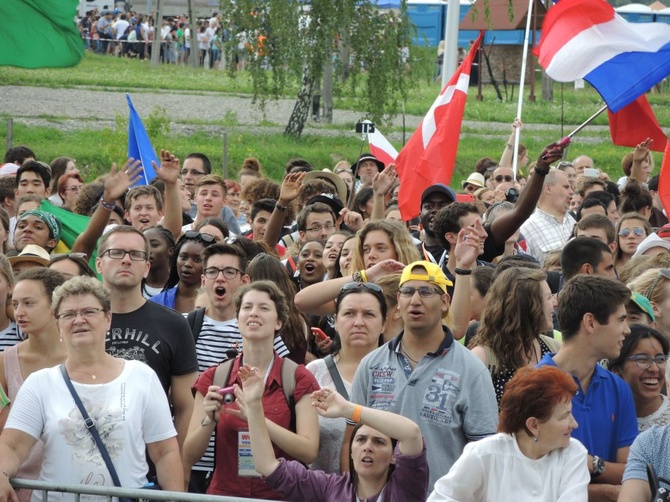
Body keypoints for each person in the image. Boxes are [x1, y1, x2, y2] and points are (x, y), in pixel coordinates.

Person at [0, 276, 183, 501]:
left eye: (89, 311)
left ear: (107, 319)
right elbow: (12, 446)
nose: (79, 320)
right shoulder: (39, 384)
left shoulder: (141, 376)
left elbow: (165, 452)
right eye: (68, 314)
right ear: (58, 325)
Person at [346, 259, 498, 490]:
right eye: (407, 292)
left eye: (426, 292)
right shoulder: (371, 365)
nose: (415, 300)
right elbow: (350, 441)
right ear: (398, 302)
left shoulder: (471, 370)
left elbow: (485, 455)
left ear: (445, 302)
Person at [183, 281, 320, 499]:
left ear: (278, 322)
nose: (254, 313)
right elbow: (189, 455)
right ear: (237, 320)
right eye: (247, 308)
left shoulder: (297, 377)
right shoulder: (215, 377)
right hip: (226, 495)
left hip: (280, 496)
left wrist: (256, 418)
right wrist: (208, 420)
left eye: (264, 308)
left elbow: (309, 450)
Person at [96, 225, 198, 452]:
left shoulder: (174, 324)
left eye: (136, 255)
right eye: (116, 252)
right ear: (99, 264)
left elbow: (186, 408)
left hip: (151, 464)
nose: (126, 260)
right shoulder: (78, 321)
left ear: (146, 267)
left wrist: (178, 468)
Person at [246, 375, 427, 501]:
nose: (368, 447)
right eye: (361, 440)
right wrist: (254, 404)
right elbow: (267, 465)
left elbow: (411, 434)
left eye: (379, 442)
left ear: (394, 456)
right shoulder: (330, 488)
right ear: (351, 452)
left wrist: (349, 410)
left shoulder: (406, 488)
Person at [537, 275, 637, 501]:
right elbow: (533, 481)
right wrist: (604, 492)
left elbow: (630, 472)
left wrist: (593, 464)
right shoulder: (534, 387)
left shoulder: (618, 389)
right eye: (620, 320)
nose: (627, 330)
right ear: (590, 322)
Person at [428, 366, 589, 502]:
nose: (574, 424)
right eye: (564, 416)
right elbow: (442, 498)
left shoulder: (573, 454)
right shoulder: (484, 454)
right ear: (533, 425)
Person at [306, 281, 387, 473]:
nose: (358, 322)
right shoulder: (313, 373)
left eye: (369, 314)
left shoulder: (401, 374)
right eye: (349, 313)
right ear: (335, 320)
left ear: (384, 323)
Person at [469, 268, 559, 404]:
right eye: (548, 298)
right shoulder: (482, 358)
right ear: (527, 305)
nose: (554, 303)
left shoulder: (555, 348)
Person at [609, 325, 670, 431]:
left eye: (660, 359)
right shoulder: (606, 417)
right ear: (617, 370)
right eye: (642, 359)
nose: (654, 368)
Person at [150, 231, 215, 313]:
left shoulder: (217, 303)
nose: (187, 264)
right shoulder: (155, 303)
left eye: (197, 260)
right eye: (183, 257)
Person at [520, 169, 575, 264]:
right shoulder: (527, 229)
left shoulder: (575, 221)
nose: (571, 192)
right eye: (566, 187)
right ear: (548, 189)